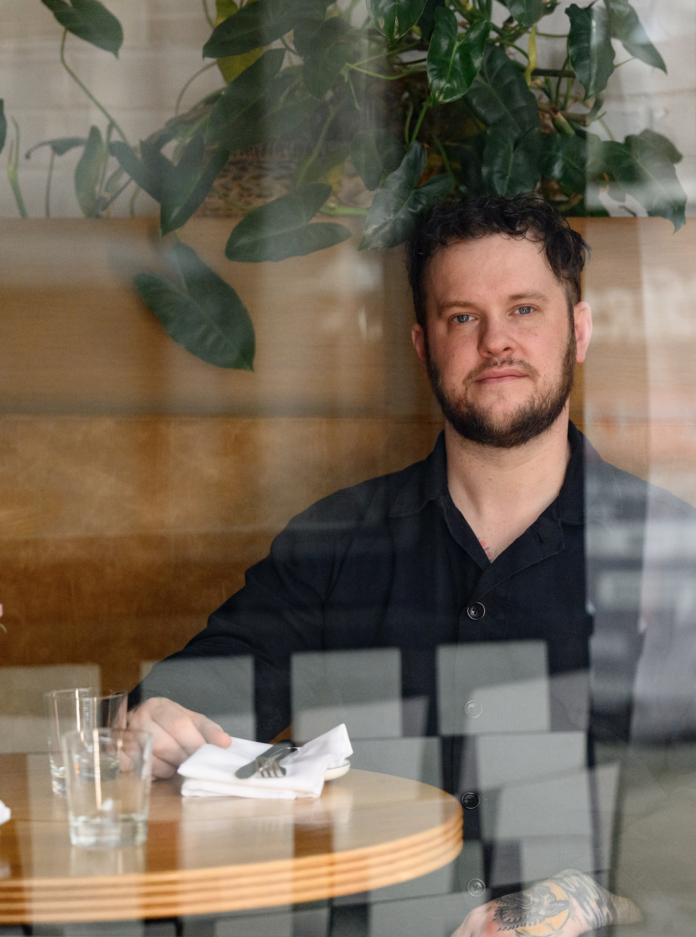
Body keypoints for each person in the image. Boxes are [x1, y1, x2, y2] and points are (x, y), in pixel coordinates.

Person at [129, 195, 696, 936]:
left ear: (578, 331)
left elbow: (681, 826)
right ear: (424, 344)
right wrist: (156, 719)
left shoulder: (665, 551)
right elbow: (201, 693)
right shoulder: (336, 541)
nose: (496, 340)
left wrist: (584, 904)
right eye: (464, 316)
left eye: (525, 309)